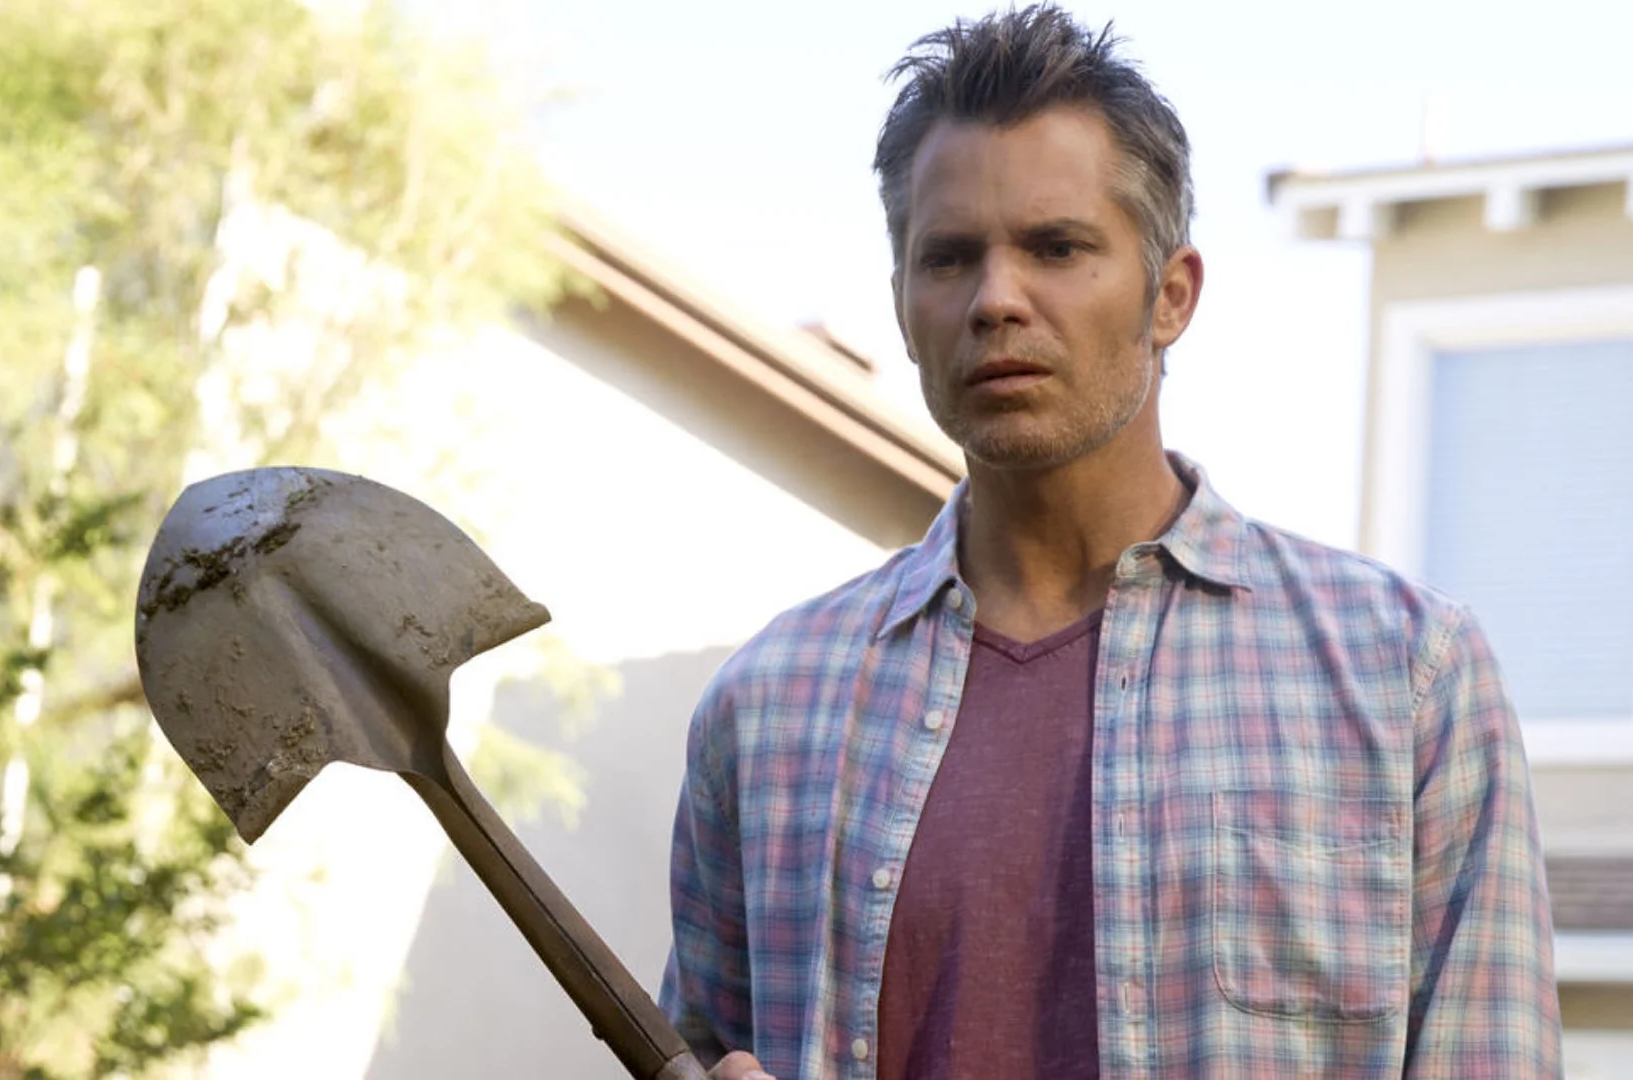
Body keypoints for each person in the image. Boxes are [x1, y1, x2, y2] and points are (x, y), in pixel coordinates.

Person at [657, 6, 1563, 1078]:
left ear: (1170, 295)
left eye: (1057, 247)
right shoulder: (769, 707)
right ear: (902, 308)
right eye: (949, 258)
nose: (996, 299)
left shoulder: (1404, 677)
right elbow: (690, 1050)